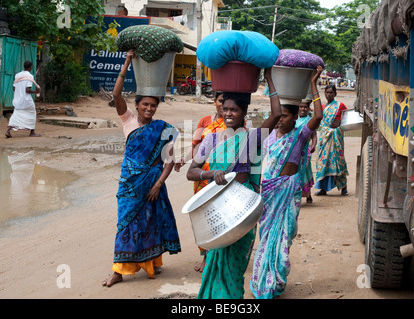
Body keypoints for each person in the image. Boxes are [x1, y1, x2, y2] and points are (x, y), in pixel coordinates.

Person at [186, 67, 281, 299]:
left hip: (242, 209)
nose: (228, 113)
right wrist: (212, 174)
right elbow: (191, 172)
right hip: (218, 208)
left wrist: (268, 77)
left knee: (234, 269)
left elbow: (277, 113)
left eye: (234, 109)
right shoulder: (211, 139)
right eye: (225, 108)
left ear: (244, 112)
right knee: (215, 264)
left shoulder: (252, 139)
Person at [102, 49, 181, 287]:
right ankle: (119, 270)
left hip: (153, 184)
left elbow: (168, 161)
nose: (149, 109)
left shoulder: (164, 128)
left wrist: (158, 185)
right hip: (130, 184)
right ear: (136, 105)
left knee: (150, 222)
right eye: (145, 104)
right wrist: (126, 62)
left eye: (153, 105)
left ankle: (151, 264)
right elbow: (116, 93)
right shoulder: (128, 120)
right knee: (124, 222)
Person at [249, 66, 323, 299]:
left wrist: (314, 84)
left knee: (284, 238)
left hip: (288, 193)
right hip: (270, 194)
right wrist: (269, 78)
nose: (280, 119)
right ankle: (263, 282)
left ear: (295, 117)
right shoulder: (269, 136)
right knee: (266, 238)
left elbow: (318, 116)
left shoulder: (300, 135)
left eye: (285, 116)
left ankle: (277, 280)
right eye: (278, 115)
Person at [174, 91, 226, 273]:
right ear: (215, 102)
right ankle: (205, 256)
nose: (223, 106)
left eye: (226, 102)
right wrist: (184, 159)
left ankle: (219, 255)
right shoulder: (205, 121)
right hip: (202, 176)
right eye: (220, 101)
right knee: (202, 216)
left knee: (219, 214)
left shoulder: (235, 123)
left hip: (222, 176)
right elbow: (195, 146)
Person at [314, 84, 349, 196]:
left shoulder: (340, 106)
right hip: (325, 138)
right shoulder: (323, 108)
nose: (329, 95)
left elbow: (346, 120)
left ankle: (344, 187)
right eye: (327, 92)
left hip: (336, 138)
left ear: (335, 94)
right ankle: (323, 189)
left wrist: (337, 129)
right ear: (324, 93)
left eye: (331, 93)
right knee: (324, 162)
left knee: (338, 161)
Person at [5, 61, 41, 138]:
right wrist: (35, 91)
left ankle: (8, 130)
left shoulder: (17, 75)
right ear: (31, 67)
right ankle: (32, 132)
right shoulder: (30, 76)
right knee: (32, 113)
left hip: (17, 100)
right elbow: (27, 90)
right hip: (26, 100)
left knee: (16, 114)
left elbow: (14, 88)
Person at [296, 100, 317, 204]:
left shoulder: (310, 121)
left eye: (305, 107)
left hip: (305, 152)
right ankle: (296, 195)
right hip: (295, 151)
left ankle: (308, 194)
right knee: (296, 173)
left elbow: (314, 136)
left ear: (308, 109)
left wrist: (313, 146)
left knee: (306, 172)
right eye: (301, 107)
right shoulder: (294, 120)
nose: (303, 109)